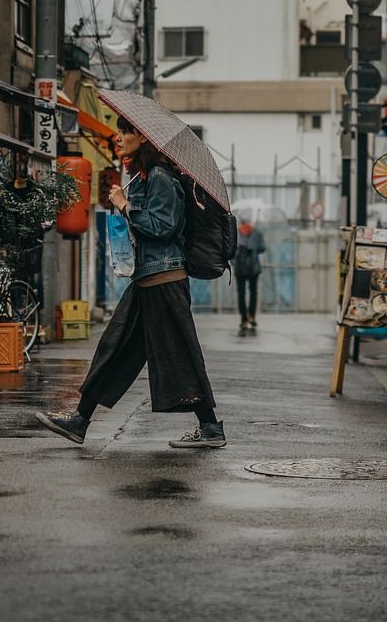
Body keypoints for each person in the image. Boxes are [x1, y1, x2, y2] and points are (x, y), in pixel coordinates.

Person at [36, 119, 225, 449]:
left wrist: (126, 206)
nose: (119, 138)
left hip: (164, 280)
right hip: (147, 280)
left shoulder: (162, 178)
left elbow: (163, 226)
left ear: (144, 137)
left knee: (178, 353)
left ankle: (210, 427)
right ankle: (80, 420)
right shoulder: (145, 177)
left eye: (126, 133)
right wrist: (126, 201)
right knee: (115, 348)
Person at [234, 221, 267, 334]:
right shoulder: (257, 233)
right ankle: (251, 316)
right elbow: (263, 248)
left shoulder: (236, 232)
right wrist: (254, 250)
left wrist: (235, 262)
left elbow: (231, 249)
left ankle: (244, 319)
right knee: (253, 293)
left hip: (240, 268)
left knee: (241, 293)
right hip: (253, 268)